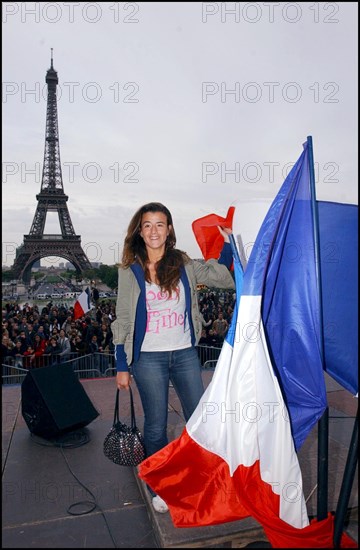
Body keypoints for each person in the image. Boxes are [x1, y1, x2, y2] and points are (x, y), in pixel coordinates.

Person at [112, 202, 235, 514]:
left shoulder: (183, 263)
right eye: (148, 225)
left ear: (169, 230)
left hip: (183, 353)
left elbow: (223, 277)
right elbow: (123, 318)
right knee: (155, 426)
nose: (154, 231)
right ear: (139, 231)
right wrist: (120, 364)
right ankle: (162, 486)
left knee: (198, 419)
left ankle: (199, 476)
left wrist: (230, 244)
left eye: (160, 224)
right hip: (147, 358)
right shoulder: (130, 270)